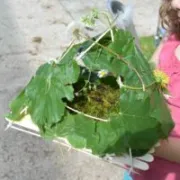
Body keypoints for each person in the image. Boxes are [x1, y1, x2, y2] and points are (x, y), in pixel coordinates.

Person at [133, 0, 180, 179]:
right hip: (140, 167)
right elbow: (147, 77)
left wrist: (147, 142)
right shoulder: (174, 34)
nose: (176, 4)